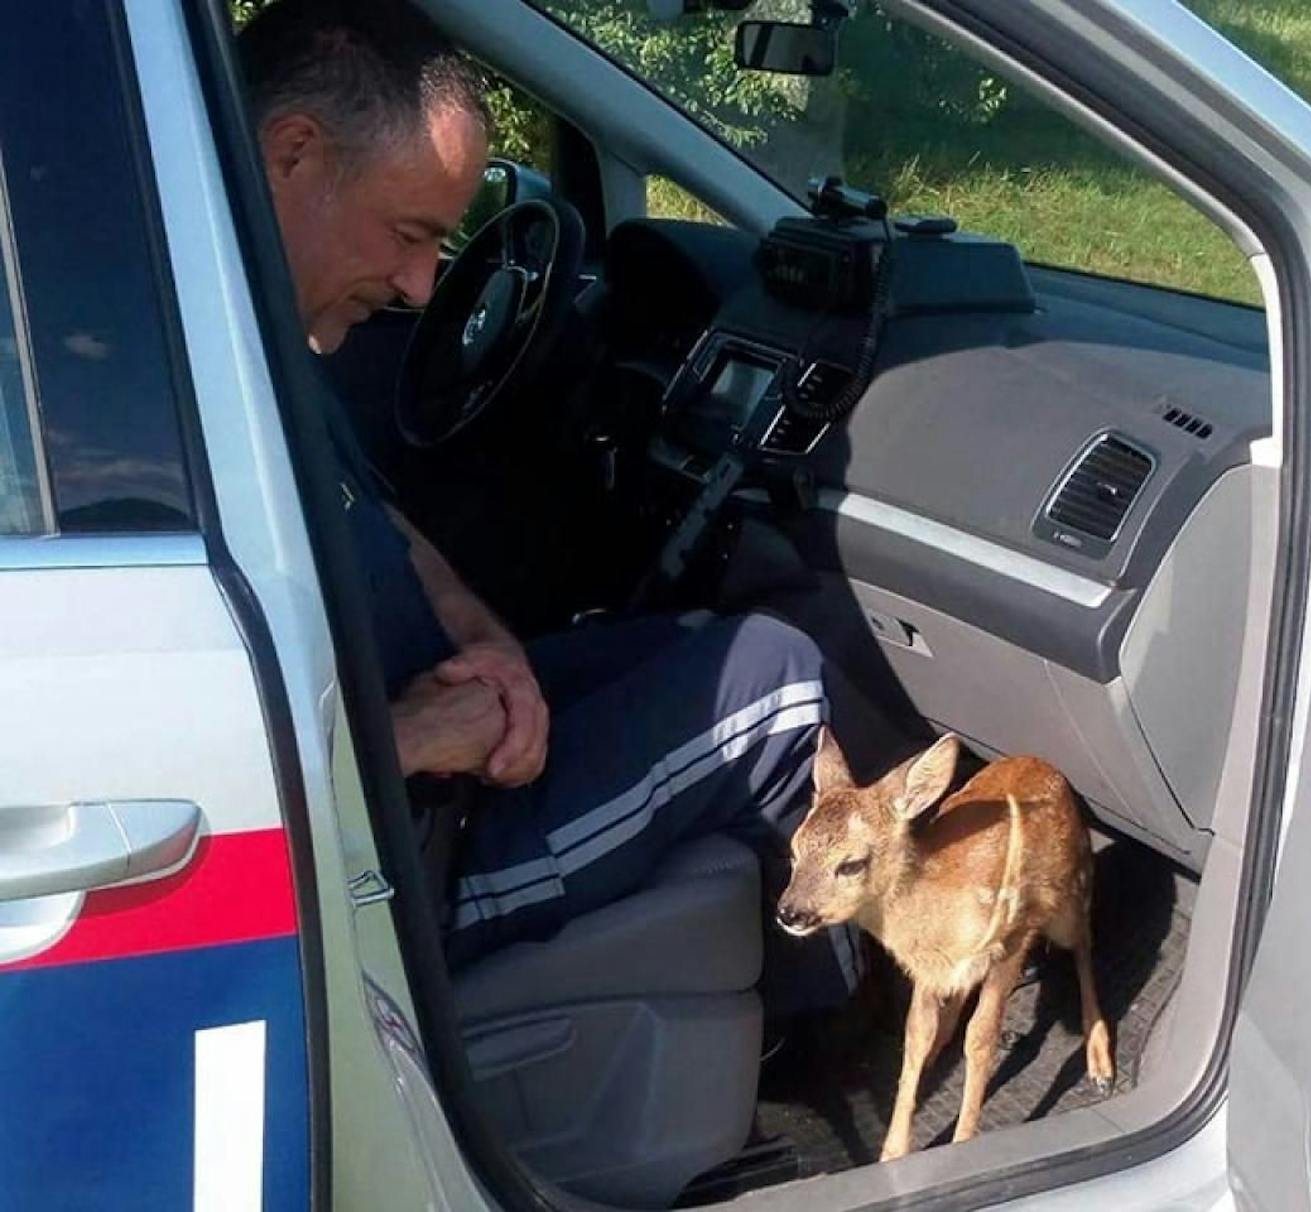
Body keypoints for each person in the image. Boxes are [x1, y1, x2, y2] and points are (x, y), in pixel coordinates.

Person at [238, 0, 859, 1002]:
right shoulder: (120, 407)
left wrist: (487, 646)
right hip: (399, 856)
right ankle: (843, 1051)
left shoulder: (239, 335)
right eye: (406, 233)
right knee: (778, 684)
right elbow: (166, 757)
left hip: (434, 727)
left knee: (695, 637)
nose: (416, 283)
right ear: (294, 152)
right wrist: (407, 739)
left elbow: (380, 517)